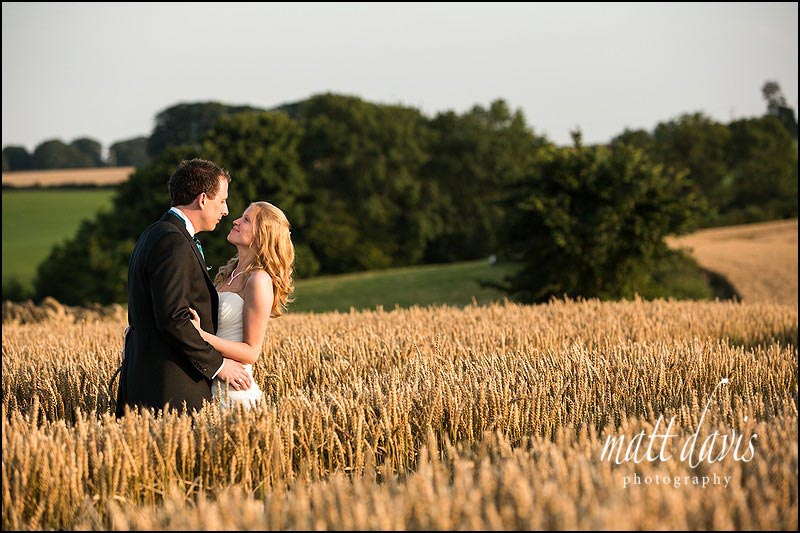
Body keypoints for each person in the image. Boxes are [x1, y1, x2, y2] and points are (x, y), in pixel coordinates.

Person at [114, 158, 253, 418]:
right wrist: (218, 366)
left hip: (148, 379)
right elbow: (173, 319)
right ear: (202, 199)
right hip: (169, 387)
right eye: (222, 200)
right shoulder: (173, 241)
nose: (225, 211)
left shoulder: (155, 233)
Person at [188, 201, 295, 409]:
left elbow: (251, 352)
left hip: (233, 390)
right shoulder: (228, 273)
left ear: (262, 235)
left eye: (246, 220)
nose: (236, 221)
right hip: (211, 380)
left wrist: (200, 335)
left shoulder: (258, 280)